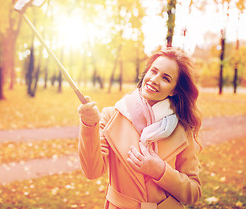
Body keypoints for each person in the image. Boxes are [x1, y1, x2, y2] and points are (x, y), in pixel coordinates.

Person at [77, 48, 202, 209]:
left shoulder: (182, 129)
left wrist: (161, 171)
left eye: (166, 78)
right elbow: (92, 171)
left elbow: (194, 192)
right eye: (153, 71)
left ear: (174, 90)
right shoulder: (111, 116)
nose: (154, 80)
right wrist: (89, 125)